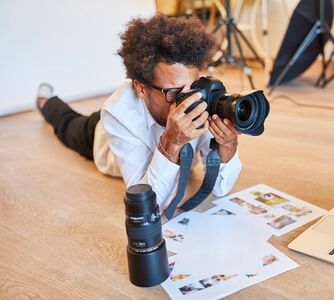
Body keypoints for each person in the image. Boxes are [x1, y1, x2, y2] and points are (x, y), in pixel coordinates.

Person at [36, 15, 242, 211]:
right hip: (99, 135)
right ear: (141, 88)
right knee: (68, 124)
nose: (189, 100)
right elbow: (149, 204)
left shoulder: (200, 97)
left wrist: (227, 144)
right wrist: (172, 142)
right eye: (174, 92)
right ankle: (47, 103)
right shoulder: (118, 113)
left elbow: (220, 188)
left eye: (194, 87)